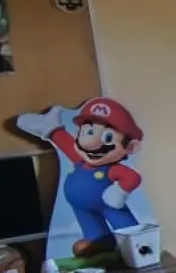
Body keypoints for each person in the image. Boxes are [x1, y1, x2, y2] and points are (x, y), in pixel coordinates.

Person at [16, 98, 146, 258]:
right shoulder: (80, 160)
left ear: (130, 147)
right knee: (91, 229)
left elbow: (132, 177)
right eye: (88, 132)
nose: (90, 143)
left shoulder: (112, 169)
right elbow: (66, 145)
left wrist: (119, 191)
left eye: (107, 137)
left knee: (126, 228)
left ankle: (135, 242)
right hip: (82, 209)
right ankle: (98, 240)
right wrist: (52, 130)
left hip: (108, 206)